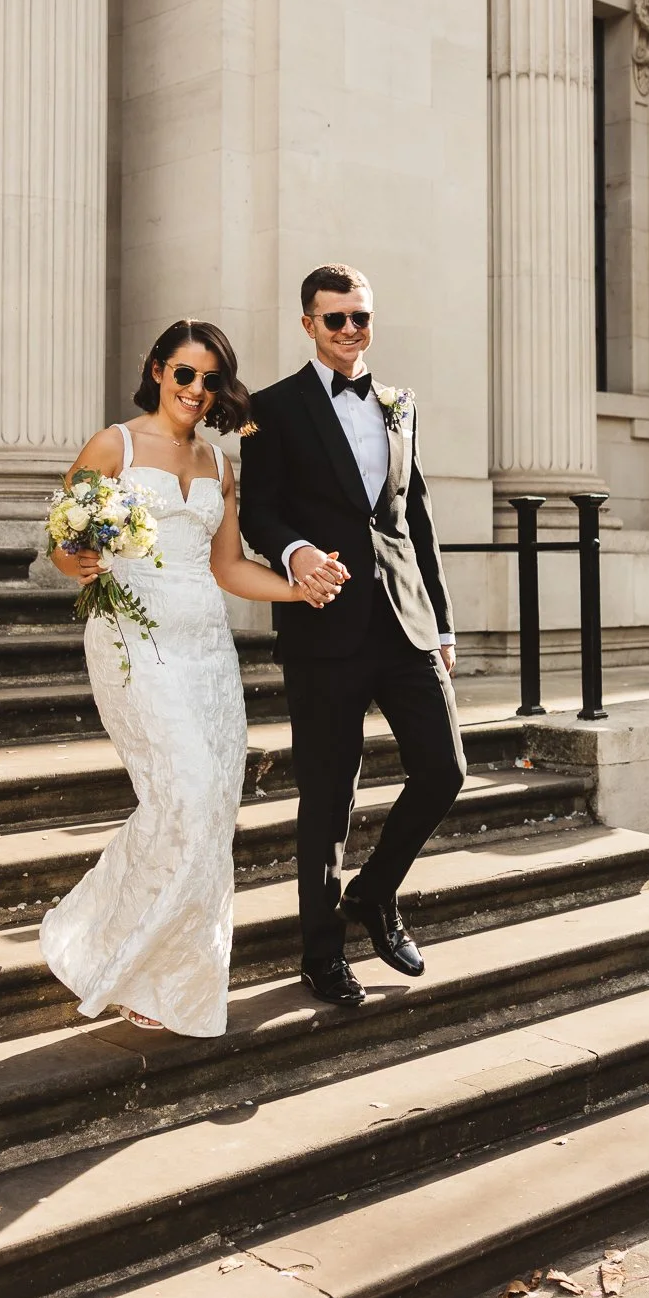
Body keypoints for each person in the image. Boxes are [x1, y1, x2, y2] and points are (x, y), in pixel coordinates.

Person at [41, 320, 346, 1037]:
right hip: (132, 639)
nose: (196, 390)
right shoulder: (113, 445)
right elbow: (61, 541)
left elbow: (228, 567)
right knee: (186, 793)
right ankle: (103, 942)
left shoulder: (218, 462)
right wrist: (79, 562)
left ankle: (161, 976)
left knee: (211, 810)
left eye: (211, 380)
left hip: (206, 646)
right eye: (184, 374)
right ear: (156, 370)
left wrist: (298, 588)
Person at [240, 265, 466, 1007]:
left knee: (444, 770)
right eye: (334, 318)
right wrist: (296, 552)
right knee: (328, 796)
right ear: (307, 323)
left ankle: (372, 893)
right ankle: (321, 954)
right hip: (323, 625)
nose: (348, 330)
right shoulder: (272, 408)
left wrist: (442, 621)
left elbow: (415, 518)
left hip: (404, 623)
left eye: (359, 317)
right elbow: (258, 511)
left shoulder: (400, 404)